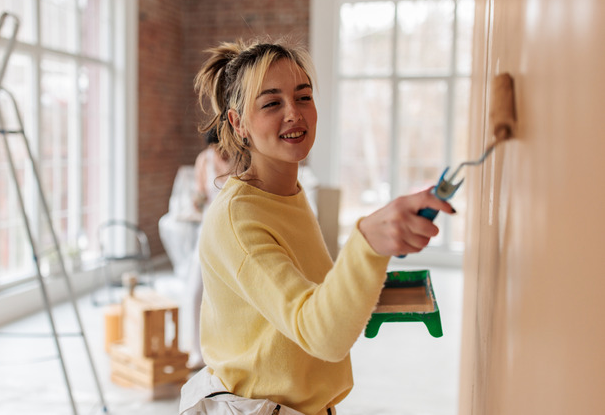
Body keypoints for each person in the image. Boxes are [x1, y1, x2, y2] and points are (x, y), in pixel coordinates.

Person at [178, 38, 455, 415]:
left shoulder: (287, 192)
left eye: (303, 97)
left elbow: (308, 295)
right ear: (238, 123)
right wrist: (367, 244)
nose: (294, 113)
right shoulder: (238, 217)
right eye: (272, 103)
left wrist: (373, 287)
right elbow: (319, 335)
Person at [185, 129, 232, 370]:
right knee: (195, 290)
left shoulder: (242, 159)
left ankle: (227, 351)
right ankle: (196, 351)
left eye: (222, 146)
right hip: (207, 232)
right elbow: (200, 194)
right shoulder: (204, 160)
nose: (219, 151)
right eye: (215, 147)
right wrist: (196, 200)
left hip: (233, 233)